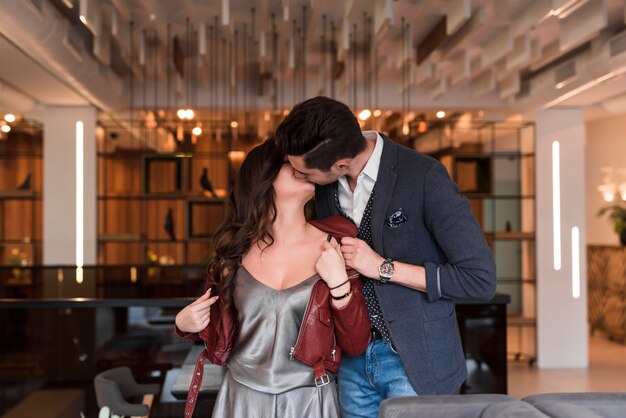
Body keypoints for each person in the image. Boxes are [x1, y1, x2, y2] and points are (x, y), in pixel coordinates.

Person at [275, 96, 497, 418]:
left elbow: (479, 279)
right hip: (351, 362)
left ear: (339, 165)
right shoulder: (324, 188)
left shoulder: (425, 176)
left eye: (303, 172)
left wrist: (383, 268)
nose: (301, 178)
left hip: (417, 361)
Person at [175, 138, 371, 418]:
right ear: (263, 177)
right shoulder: (234, 254)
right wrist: (184, 324)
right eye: (289, 163)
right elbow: (219, 331)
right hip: (241, 398)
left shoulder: (338, 244)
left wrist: (340, 285)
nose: (303, 167)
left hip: (310, 400)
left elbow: (356, 344)